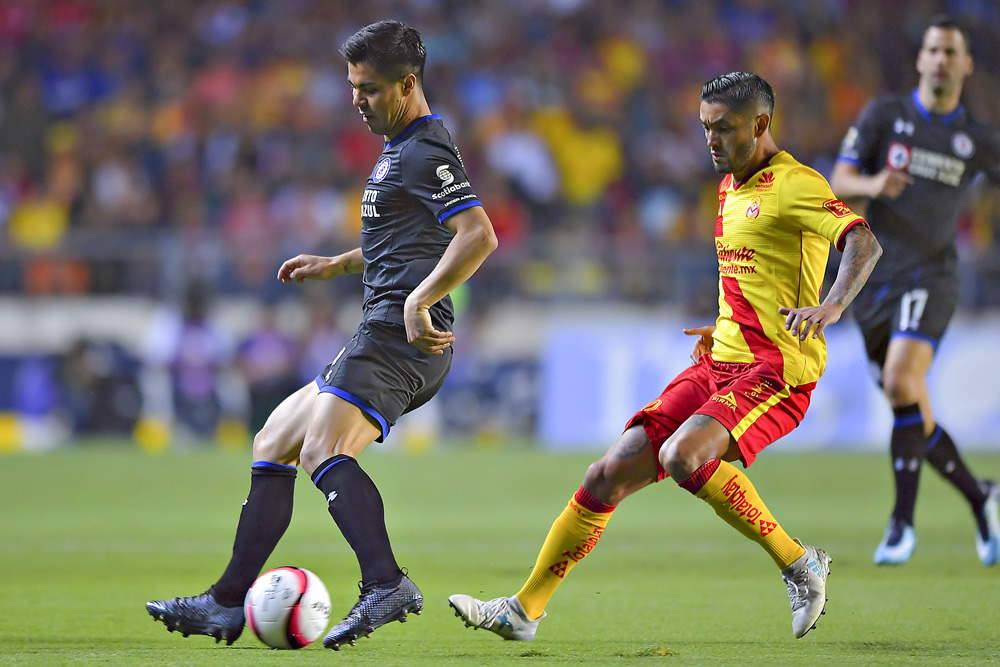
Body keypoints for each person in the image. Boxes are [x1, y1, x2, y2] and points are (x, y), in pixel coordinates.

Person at [449, 72, 883, 641]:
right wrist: (729, 322)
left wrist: (830, 306)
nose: (710, 140)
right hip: (719, 362)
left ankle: (800, 564)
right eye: (704, 128)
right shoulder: (730, 187)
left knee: (683, 456)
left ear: (760, 125)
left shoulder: (796, 184)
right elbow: (756, 276)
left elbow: (862, 241)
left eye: (723, 129)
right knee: (605, 474)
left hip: (776, 373)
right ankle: (523, 610)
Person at [146, 20, 498, 650]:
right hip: (383, 324)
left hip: (403, 334)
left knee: (321, 450)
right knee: (275, 437)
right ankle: (228, 603)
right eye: (352, 87)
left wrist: (421, 299)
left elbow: (479, 234)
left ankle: (386, 583)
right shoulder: (398, 151)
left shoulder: (425, 150)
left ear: (407, 84)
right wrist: (338, 263)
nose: (356, 101)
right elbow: (405, 241)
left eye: (367, 88)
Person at [830, 15, 1000, 567]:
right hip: (873, 277)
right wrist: (874, 184)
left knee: (904, 380)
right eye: (934, 50)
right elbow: (839, 180)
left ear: (966, 64)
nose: (942, 60)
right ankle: (981, 498)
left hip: (934, 273)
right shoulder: (886, 116)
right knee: (910, 406)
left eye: (952, 52)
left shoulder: (976, 140)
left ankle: (901, 524)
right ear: (921, 59)